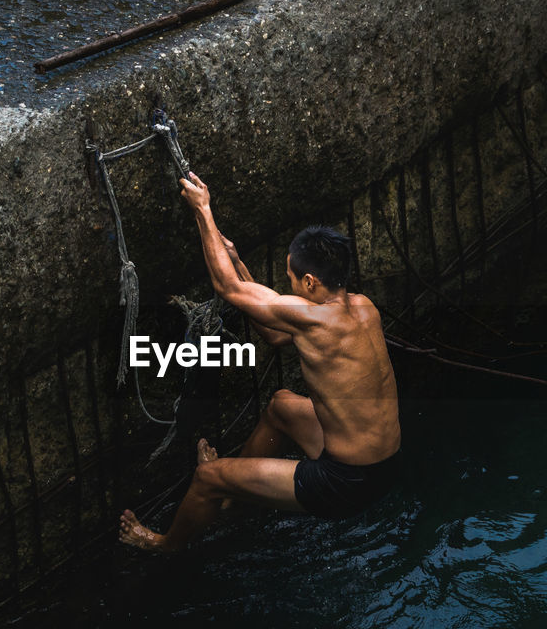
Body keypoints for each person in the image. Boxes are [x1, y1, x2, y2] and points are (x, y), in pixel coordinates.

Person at [118, 172, 402, 552]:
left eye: (291, 278)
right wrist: (237, 261)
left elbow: (228, 290)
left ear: (311, 283)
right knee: (282, 404)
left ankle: (163, 545)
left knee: (207, 475)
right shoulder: (364, 309)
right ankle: (237, 497)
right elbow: (275, 333)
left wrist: (203, 210)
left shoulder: (314, 318)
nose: (289, 285)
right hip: (383, 467)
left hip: (343, 483)